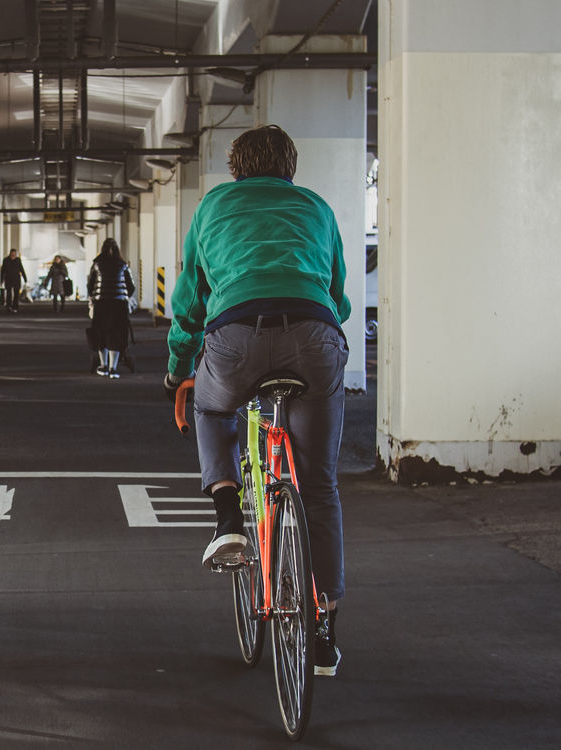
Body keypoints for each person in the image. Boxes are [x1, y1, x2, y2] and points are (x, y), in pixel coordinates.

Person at [162, 125, 350, 676]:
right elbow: (337, 293)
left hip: (235, 337)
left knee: (212, 407)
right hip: (314, 336)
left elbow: (190, 304)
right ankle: (324, 630)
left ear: (236, 166)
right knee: (319, 486)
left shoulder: (214, 206)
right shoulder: (316, 207)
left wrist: (177, 372)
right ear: (290, 165)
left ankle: (227, 520)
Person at [88, 238, 135, 378]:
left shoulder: (96, 265)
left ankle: (103, 366)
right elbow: (131, 287)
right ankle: (113, 368)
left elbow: (90, 286)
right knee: (117, 333)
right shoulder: (123, 265)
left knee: (101, 333)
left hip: (101, 304)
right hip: (118, 305)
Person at [0, 248, 27, 312]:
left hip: (16, 279)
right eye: (12, 254)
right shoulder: (6, 260)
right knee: (8, 293)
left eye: (14, 254)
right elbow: (2, 271)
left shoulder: (18, 260)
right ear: (10, 254)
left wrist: (25, 278)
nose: (13, 256)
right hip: (8, 279)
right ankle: (9, 306)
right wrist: (1, 280)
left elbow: (21, 269)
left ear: (16, 254)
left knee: (16, 294)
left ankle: (15, 307)